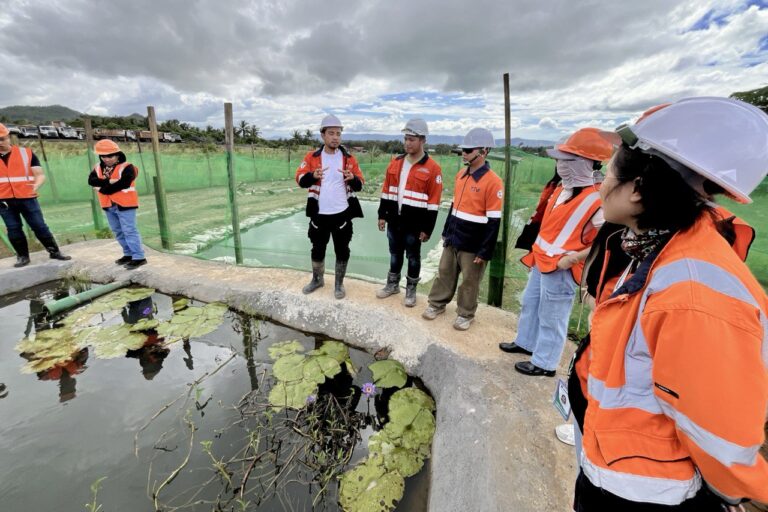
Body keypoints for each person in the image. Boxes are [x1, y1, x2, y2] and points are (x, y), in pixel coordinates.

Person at [568, 97, 768, 510]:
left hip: (647, 491)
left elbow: (722, 436)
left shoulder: (690, 296)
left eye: (608, 172)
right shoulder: (656, 245)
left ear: (638, 190)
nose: (602, 184)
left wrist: (739, 494)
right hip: (618, 464)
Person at [498, 128, 614, 376]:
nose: (560, 165)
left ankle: (545, 363)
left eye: (567, 160)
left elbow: (606, 239)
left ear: (587, 163)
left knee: (553, 316)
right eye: (560, 160)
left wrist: (575, 258)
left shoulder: (597, 201)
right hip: (541, 260)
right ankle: (526, 342)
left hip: (562, 267)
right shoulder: (561, 190)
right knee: (531, 304)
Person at [421, 127, 503, 331]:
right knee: (444, 272)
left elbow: (494, 222)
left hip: (473, 243)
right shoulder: (461, 175)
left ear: (483, 152)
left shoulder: (493, 182)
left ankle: (465, 314)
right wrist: (446, 231)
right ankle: (436, 304)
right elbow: (454, 207)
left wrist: (485, 251)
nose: (464, 154)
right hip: (453, 237)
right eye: (463, 150)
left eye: (468, 150)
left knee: (470, 281)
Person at [295, 114, 364, 299]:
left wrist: (353, 179)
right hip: (319, 214)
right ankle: (317, 279)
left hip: (342, 213)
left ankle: (339, 284)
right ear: (323, 135)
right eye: (331, 133)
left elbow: (361, 184)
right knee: (317, 248)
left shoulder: (349, 158)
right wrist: (312, 176)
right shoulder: (312, 157)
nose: (335, 137)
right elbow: (300, 179)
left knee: (342, 250)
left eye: (338, 133)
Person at [376, 118, 443, 307]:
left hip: (415, 224)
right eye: (406, 138)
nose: (407, 143)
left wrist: (427, 228)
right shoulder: (395, 163)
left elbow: (434, 202)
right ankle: (392, 285)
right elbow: (386, 191)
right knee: (394, 254)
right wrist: (382, 215)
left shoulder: (432, 168)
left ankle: (411, 290)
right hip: (394, 220)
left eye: (412, 139)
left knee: (413, 257)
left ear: (423, 140)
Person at [0, 122, 71, 267]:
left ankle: (54, 252)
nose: (0, 143)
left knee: (39, 226)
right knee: (13, 228)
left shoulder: (26, 153)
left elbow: (40, 174)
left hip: (27, 197)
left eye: (2, 139)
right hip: (4, 201)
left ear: (8, 137)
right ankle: (22, 257)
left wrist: (36, 185)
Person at [87, 139, 147, 269]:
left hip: (125, 204)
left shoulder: (128, 167)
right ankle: (128, 254)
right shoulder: (98, 168)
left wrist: (102, 188)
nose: (106, 159)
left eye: (110, 156)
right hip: (108, 205)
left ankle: (139, 257)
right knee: (118, 231)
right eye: (103, 156)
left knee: (129, 230)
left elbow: (124, 183)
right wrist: (110, 181)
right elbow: (91, 181)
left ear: (118, 154)